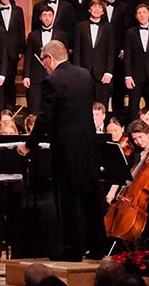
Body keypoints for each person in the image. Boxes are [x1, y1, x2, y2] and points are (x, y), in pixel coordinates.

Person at [21, 40, 100, 261]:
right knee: (91, 197)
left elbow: (45, 119)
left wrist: (29, 145)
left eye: (43, 61)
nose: (44, 66)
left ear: (49, 59)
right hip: (89, 147)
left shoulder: (52, 80)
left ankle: (73, 249)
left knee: (68, 198)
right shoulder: (84, 75)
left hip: (66, 149)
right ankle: (96, 247)